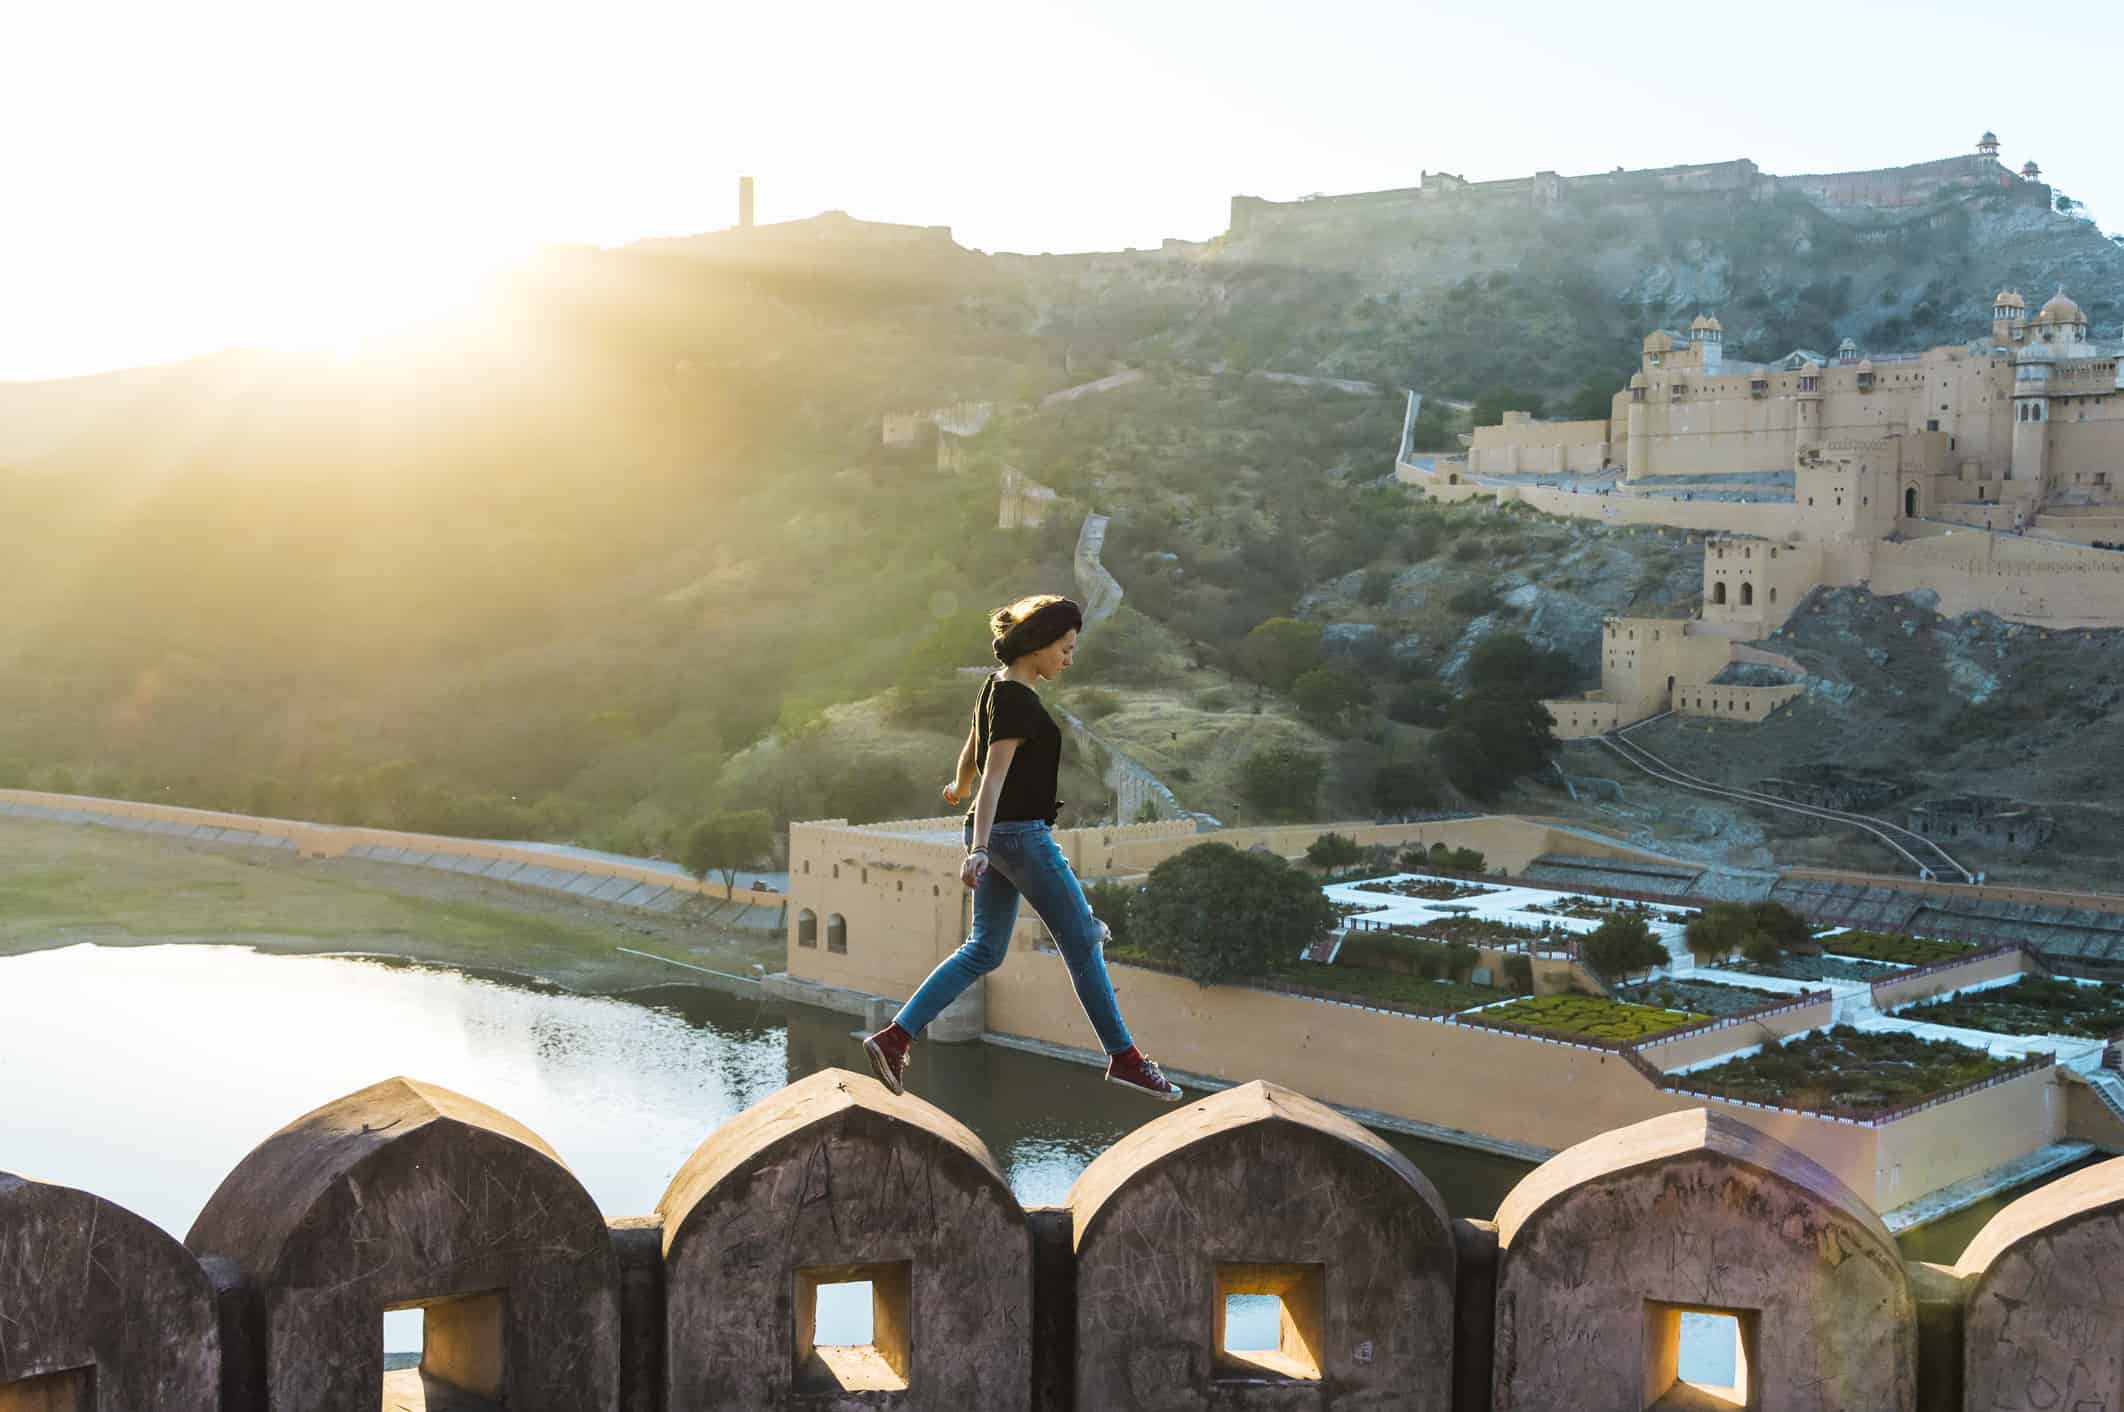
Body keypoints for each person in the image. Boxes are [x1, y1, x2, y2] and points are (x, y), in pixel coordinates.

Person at [862, 594, 1183, 1103]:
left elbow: (973, 749)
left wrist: (956, 787)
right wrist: (981, 847)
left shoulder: (995, 687)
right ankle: (1125, 1058)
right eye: (1064, 647)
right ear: (1037, 645)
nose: (1068, 659)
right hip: (1017, 837)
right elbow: (996, 774)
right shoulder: (1019, 700)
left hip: (995, 835)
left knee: (984, 950)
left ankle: (896, 1036)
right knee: (1082, 944)